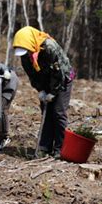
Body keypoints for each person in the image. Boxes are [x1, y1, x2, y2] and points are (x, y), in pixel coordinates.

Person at [13, 26, 74, 159]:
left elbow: (59, 72)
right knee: (46, 113)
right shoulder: (25, 55)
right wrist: (40, 90)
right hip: (45, 82)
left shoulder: (49, 47)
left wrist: (53, 92)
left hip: (62, 80)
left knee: (58, 113)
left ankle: (60, 148)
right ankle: (44, 147)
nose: (26, 53)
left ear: (31, 43)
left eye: (28, 50)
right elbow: (32, 74)